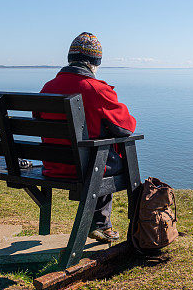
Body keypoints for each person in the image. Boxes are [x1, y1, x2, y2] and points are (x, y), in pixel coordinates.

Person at [38, 32, 137, 244]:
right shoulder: (95, 89)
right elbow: (126, 128)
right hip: (82, 169)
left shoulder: (47, 88)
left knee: (98, 155)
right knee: (105, 158)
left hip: (52, 166)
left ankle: (101, 225)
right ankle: (113, 226)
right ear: (94, 62)